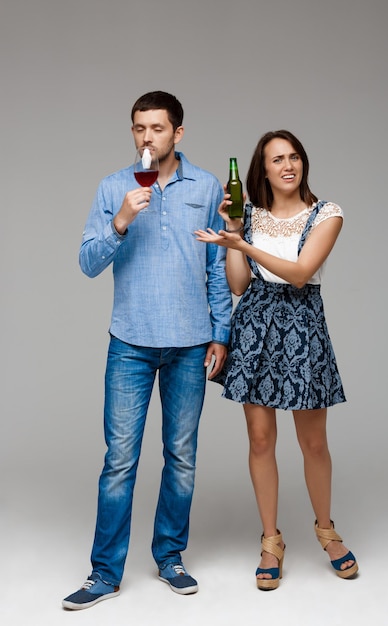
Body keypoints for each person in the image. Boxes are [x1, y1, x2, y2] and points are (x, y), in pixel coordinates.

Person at [62, 91, 232, 610]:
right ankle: (105, 572)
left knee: (181, 458)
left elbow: (216, 268)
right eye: (139, 128)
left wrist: (220, 332)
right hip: (130, 343)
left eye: (157, 128)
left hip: (189, 343)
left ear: (177, 134)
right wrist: (121, 222)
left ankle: (170, 556)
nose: (147, 137)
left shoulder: (204, 186)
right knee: (120, 461)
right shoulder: (114, 187)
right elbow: (88, 262)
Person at [195, 130, 358, 590]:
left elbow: (302, 274)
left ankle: (326, 530)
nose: (288, 165)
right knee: (261, 439)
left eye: (294, 157)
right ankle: (271, 540)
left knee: (314, 443)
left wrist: (242, 244)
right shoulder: (249, 215)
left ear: (303, 162)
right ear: (261, 170)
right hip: (256, 325)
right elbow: (240, 286)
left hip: (302, 324)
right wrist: (232, 233)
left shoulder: (327, 213)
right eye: (277, 159)